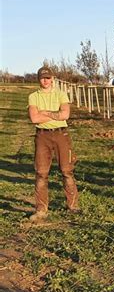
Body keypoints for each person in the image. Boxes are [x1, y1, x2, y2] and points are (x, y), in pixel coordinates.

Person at [28, 66, 79, 222]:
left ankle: (73, 205)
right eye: (43, 78)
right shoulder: (33, 96)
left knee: (67, 170)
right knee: (41, 173)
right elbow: (34, 119)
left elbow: (65, 114)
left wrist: (44, 112)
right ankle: (41, 209)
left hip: (61, 134)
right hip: (42, 136)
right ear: (39, 80)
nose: (46, 80)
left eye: (48, 78)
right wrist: (54, 115)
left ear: (52, 79)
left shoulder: (61, 94)